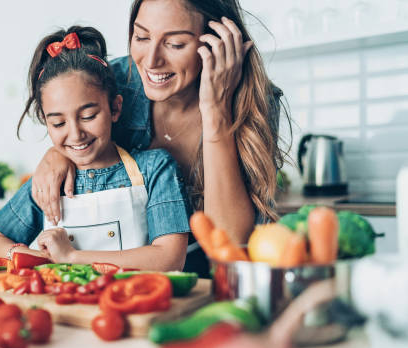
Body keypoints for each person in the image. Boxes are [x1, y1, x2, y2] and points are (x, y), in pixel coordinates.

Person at [30, 0, 290, 275]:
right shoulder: (117, 81)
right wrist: (56, 153)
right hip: (125, 280)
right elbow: (73, 129)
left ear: (218, 42)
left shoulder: (254, 102)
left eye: (175, 44)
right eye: (141, 36)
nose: (151, 60)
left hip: (213, 283)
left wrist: (216, 113)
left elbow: (229, 244)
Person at [0, 26, 191, 271]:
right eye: (58, 122)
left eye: (88, 116)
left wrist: (71, 257)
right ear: (45, 119)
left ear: (115, 108)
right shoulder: (47, 183)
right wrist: (34, 257)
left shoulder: (154, 168)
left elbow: (169, 259)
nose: (75, 134)